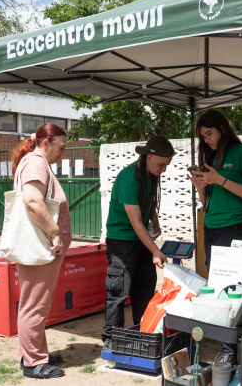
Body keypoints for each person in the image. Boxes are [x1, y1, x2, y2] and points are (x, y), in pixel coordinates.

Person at [102, 135, 175, 349]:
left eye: (166, 165)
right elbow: (135, 222)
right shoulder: (128, 179)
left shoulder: (150, 175)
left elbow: (148, 203)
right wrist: (155, 250)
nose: (164, 169)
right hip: (122, 241)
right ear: (149, 157)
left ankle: (143, 333)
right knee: (118, 290)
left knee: (144, 289)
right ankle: (111, 338)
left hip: (141, 240)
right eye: (161, 164)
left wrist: (155, 220)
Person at [187, 109, 242, 365]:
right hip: (211, 226)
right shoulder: (213, 155)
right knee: (217, 286)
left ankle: (231, 350)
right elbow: (209, 201)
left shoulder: (241, 152)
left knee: (233, 289)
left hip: (234, 228)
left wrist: (219, 179)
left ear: (223, 128)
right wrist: (202, 188)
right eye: (203, 137)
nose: (207, 140)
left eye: (209, 134)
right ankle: (226, 346)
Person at [11, 123, 71, 379]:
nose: (63, 153)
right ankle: (33, 361)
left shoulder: (36, 162)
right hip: (41, 246)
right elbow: (33, 201)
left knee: (36, 303)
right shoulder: (36, 163)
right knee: (34, 304)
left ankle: (35, 353)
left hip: (42, 248)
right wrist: (55, 232)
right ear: (46, 143)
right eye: (61, 147)